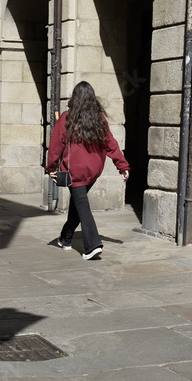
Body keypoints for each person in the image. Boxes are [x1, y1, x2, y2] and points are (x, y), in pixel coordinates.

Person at [45, 81, 130, 260]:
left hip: (73, 172)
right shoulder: (99, 119)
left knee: (82, 206)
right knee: (78, 203)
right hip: (93, 172)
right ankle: (65, 238)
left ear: (75, 98)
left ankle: (92, 245)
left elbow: (55, 146)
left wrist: (50, 167)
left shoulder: (67, 118)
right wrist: (122, 166)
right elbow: (111, 144)